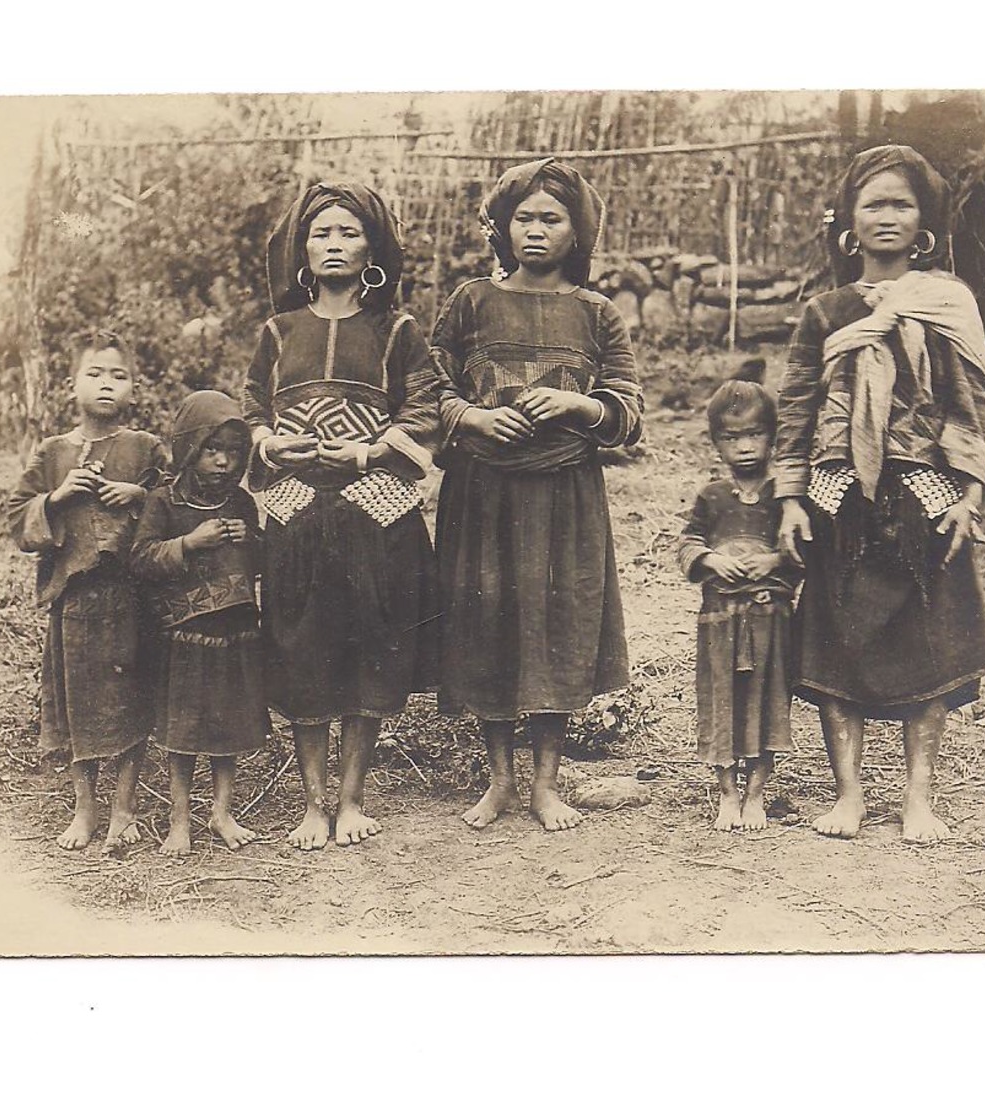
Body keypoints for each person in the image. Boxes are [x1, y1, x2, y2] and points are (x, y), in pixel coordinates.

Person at [773, 145, 985, 843]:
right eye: (873, 203)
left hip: (922, 488)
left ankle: (917, 799)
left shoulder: (945, 303)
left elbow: (971, 402)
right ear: (848, 220)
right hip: (839, 491)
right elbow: (796, 403)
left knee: (926, 643)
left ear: (923, 220)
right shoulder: (825, 311)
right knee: (838, 643)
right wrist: (788, 496)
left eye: (901, 203)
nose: (887, 216)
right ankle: (848, 795)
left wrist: (966, 492)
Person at [431, 158, 644, 832]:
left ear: (576, 233)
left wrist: (577, 405)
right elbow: (426, 388)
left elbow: (629, 410)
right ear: (502, 226)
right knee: (488, 623)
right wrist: (472, 417)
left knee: (559, 626)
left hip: (564, 498)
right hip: (483, 495)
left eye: (551, 219)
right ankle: (498, 781)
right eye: (522, 217)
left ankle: (546, 784)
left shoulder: (597, 314)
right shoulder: (470, 301)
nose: (535, 230)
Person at [244, 181, 442, 851]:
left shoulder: (397, 331)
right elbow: (248, 411)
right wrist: (271, 442)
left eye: (348, 233)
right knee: (302, 650)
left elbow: (424, 409)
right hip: (296, 513)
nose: (334, 244)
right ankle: (310, 802)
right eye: (321, 233)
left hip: (375, 515)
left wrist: (368, 450)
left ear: (372, 249)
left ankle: (352, 798)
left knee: (370, 648)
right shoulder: (277, 333)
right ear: (302, 249)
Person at [5, 330, 167, 852]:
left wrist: (139, 492)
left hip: (132, 597)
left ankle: (124, 807)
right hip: (73, 602)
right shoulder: (53, 453)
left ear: (134, 389)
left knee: (131, 698)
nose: (106, 384)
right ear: (71, 385)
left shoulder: (145, 448)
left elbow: (177, 497)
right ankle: (84, 808)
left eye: (118, 376)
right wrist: (56, 498)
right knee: (76, 702)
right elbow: (15, 516)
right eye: (95, 373)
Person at [132, 390, 272, 856]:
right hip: (184, 637)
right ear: (191, 449)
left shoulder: (242, 503)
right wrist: (189, 543)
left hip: (234, 634)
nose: (223, 463)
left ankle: (222, 812)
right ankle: (179, 819)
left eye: (234, 453)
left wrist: (249, 538)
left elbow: (259, 562)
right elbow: (142, 560)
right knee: (183, 730)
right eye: (213, 450)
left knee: (227, 724)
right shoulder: (163, 502)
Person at [677, 359, 801, 832]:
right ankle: (727, 792)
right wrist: (710, 558)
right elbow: (687, 541)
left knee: (768, 705)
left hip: (771, 621)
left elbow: (804, 549)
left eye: (755, 435)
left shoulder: (786, 496)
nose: (745, 447)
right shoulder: (712, 495)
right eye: (731, 437)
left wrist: (776, 561)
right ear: (716, 442)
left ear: (773, 437)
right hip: (720, 621)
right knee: (721, 704)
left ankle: (757, 794)